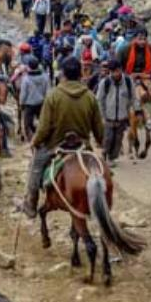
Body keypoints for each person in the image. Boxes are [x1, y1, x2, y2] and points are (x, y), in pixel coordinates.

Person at [21, 57, 104, 218]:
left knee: (35, 167)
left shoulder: (53, 96)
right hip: (82, 146)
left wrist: (35, 141)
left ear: (63, 74)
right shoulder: (90, 96)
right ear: (80, 74)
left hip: (55, 146)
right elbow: (98, 128)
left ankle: (31, 203)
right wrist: (101, 142)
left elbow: (44, 128)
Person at [95, 59, 135, 166]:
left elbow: (132, 97)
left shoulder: (128, 81)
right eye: (112, 72)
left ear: (121, 69)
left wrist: (131, 109)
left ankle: (112, 158)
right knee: (108, 138)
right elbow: (99, 100)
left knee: (118, 139)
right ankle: (104, 156)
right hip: (108, 116)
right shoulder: (105, 83)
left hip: (122, 117)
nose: (115, 74)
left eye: (117, 71)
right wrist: (102, 116)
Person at [19, 57, 50, 139]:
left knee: (27, 125)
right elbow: (48, 91)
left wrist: (21, 103)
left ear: (29, 67)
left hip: (29, 105)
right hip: (41, 103)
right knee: (43, 122)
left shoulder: (26, 79)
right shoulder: (45, 77)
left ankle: (31, 140)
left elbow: (23, 94)